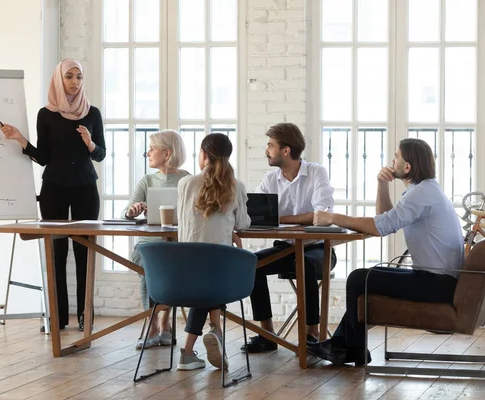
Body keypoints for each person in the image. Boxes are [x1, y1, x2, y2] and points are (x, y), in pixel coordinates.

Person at [309, 138, 464, 366]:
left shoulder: (420, 194)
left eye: (396, 157)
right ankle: (345, 345)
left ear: (407, 167)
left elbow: (380, 226)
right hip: (437, 279)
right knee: (364, 278)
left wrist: (332, 217)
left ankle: (350, 348)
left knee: (358, 278)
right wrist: (382, 184)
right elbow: (385, 219)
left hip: (436, 283)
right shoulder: (426, 190)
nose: (392, 161)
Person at [0, 59, 105, 331]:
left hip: (85, 188)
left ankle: (85, 315)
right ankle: (57, 316)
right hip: (54, 188)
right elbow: (44, 157)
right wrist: (21, 139)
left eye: (79, 77)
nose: (74, 82)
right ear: (59, 79)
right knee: (57, 251)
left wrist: (89, 142)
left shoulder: (92, 113)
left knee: (85, 251)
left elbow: (100, 154)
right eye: (69, 77)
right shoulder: (46, 114)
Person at [242, 123, 336, 353]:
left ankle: (311, 334)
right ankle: (267, 334)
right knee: (252, 264)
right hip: (286, 247)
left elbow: (320, 214)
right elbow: (252, 213)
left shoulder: (316, 172)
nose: (266, 150)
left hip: (317, 249)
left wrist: (281, 217)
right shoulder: (270, 179)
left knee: (302, 264)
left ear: (286, 150)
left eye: (270, 145)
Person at [176, 133, 251, 371]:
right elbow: (243, 223)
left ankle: (189, 351)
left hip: (184, 268)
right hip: (219, 271)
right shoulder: (235, 186)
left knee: (204, 280)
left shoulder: (185, 183)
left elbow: (185, 222)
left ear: (204, 154)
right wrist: (229, 230)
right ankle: (215, 331)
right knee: (215, 270)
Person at [121, 129, 189, 349]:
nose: (147, 153)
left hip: (176, 245)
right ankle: (154, 325)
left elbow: (194, 214)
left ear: (167, 153)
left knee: (163, 266)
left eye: (152, 148)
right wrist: (133, 210)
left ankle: (163, 323)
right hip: (147, 246)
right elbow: (126, 211)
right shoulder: (147, 180)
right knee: (150, 265)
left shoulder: (187, 180)